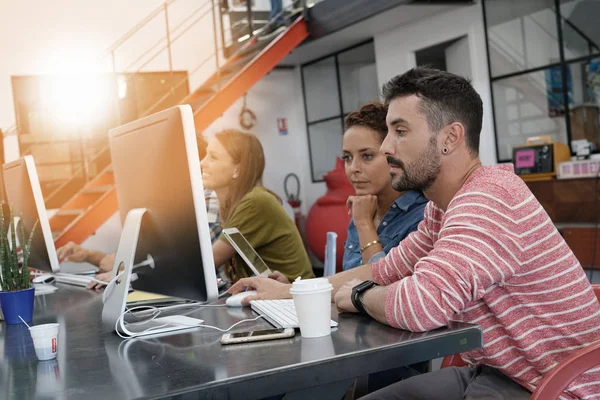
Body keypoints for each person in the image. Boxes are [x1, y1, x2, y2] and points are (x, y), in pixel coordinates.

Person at [229, 67, 600, 399]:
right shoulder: (443, 207)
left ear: (450, 138)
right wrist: (291, 292)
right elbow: (388, 269)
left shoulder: (489, 200)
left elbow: (419, 305)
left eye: (400, 131)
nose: (387, 146)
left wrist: (357, 296)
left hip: (556, 389)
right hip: (500, 374)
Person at [201, 129, 314, 283]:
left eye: (213, 157)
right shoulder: (231, 206)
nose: (202, 163)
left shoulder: (254, 202)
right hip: (270, 297)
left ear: (237, 170)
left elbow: (207, 263)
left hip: (293, 299)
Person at [342, 101, 427, 271]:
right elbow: (347, 283)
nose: (353, 168)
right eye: (347, 157)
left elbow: (384, 288)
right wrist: (293, 286)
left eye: (367, 156)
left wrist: (365, 225)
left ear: (392, 152)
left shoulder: (423, 216)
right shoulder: (363, 209)